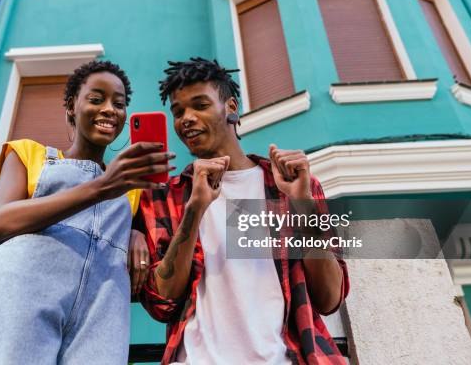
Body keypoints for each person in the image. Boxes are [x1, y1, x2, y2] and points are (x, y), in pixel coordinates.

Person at [134, 58, 349, 364]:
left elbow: (329, 298)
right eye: (178, 111)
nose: (187, 119)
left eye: (200, 105)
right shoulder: (165, 196)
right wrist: (194, 210)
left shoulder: (290, 185)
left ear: (231, 107)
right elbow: (163, 303)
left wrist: (302, 204)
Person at [0, 60, 174, 364]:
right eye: (96, 99)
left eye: (119, 103)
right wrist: (101, 187)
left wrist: (135, 231)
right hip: (20, 297)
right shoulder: (29, 155)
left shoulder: (133, 188)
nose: (110, 109)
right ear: (72, 106)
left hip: (100, 314)